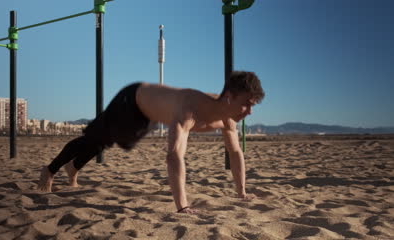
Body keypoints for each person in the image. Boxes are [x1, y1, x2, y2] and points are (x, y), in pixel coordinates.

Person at [38, 71, 265, 214]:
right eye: (247, 104)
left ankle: (73, 169)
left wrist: (242, 192)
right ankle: (49, 171)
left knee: (107, 141)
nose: (250, 111)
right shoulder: (189, 110)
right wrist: (183, 206)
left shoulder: (227, 119)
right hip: (132, 100)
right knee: (97, 139)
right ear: (229, 98)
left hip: (150, 114)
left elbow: (235, 152)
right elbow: (174, 156)